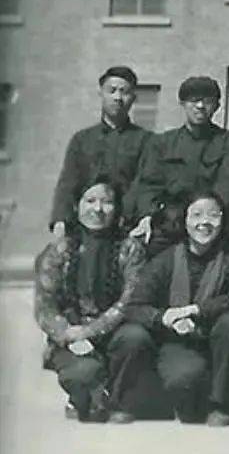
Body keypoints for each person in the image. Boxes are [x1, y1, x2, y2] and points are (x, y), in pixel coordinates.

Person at [115, 191, 229, 425]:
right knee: (183, 379)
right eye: (197, 215)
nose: (205, 222)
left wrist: (196, 310)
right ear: (184, 220)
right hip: (178, 341)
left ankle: (222, 406)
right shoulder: (166, 259)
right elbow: (135, 305)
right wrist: (164, 317)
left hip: (221, 343)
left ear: (223, 220)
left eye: (213, 215)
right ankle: (137, 401)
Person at [35, 177, 147, 422]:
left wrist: (90, 331)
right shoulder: (58, 250)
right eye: (90, 201)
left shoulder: (130, 248)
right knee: (83, 374)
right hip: (72, 335)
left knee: (135, 338)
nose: (98, 209)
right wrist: (68, 333)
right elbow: (45, 306)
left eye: (107, 202)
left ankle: (118, 400)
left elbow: (130, 300)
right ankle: (84, 396)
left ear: (117, 208)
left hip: (114, 331)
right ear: (77, 206)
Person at [130, 76, 229, 256]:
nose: (200, 106)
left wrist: (205, 216)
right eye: (194, 100)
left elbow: (226, 187)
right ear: (183, 103)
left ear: (217, 106)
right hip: (171, 220)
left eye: (207, 101)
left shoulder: (228, 142)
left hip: (209, 220)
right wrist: (147, 216)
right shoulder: (163, 143)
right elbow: (149, 185)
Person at [50, 66, 151, 237]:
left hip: (126, 228)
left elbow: (145, 184)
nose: (118, 97)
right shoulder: (82, 139)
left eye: (124, 92)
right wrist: (60, 220)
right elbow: (68, 182)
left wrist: (140, 217)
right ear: (101, 94)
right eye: (112, 91)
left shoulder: (146, 140)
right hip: (85, 228)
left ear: (133, 98)